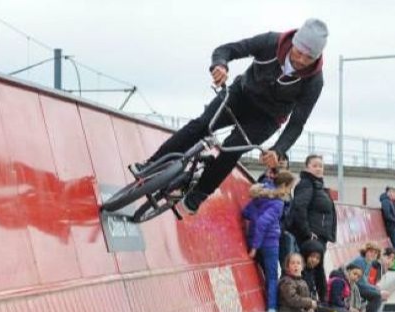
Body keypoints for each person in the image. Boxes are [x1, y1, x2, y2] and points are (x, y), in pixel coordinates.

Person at [142, 19, 329, 215]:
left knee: (232, 148)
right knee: (203, 124)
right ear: (293, 43)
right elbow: (227, 50)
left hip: (266, 119)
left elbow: (297, 123)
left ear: (316, 58)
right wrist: (220, 65)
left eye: (308, 58)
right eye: (299, 52)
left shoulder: (314, 81)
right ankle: (154, 164)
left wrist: (278, 150)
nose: (300, 60)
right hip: (241, 95)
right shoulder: (271, 42)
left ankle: (200, 192)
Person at [242, 170, 296, 311]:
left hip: (254, 238)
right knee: (272, 277)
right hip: (270, 243)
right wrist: (255, 246)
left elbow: (246, 212)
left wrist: (254, 239)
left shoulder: (260, 196)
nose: (289, 191)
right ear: (284, 185)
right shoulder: (278, 203)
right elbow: (262, 222)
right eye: (290, 187)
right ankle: (272, 308)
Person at [288, 155, 337, 297]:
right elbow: (299, 208)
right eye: (315, 165)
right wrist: (307, 232)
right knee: (310, 269)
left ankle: (320, 301)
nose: (318, 168)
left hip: (320, 236)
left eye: (321, 166)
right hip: (311, 237)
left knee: (317, 269)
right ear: (307, 167)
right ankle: (310, 301)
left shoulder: (318, 186)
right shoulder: (306, 183)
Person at [348, 243, 388, 312]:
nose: (373, 254)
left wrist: (375, 288)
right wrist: (378, 291)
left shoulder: (369, 262)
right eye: (370, 251)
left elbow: (364, 281)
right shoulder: (360, 261)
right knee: (377, 296)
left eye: (375, 253)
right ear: (365, 251)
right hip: (351, 286)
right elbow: (360, 283)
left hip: (357, 286)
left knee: (378, 294)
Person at [379, 187, 395, 254]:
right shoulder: (385, 201)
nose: (394, 195)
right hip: (391, 226)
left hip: (393, 225)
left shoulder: (389, 201)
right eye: (393, 193)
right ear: (389, 192)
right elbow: (387, 215)